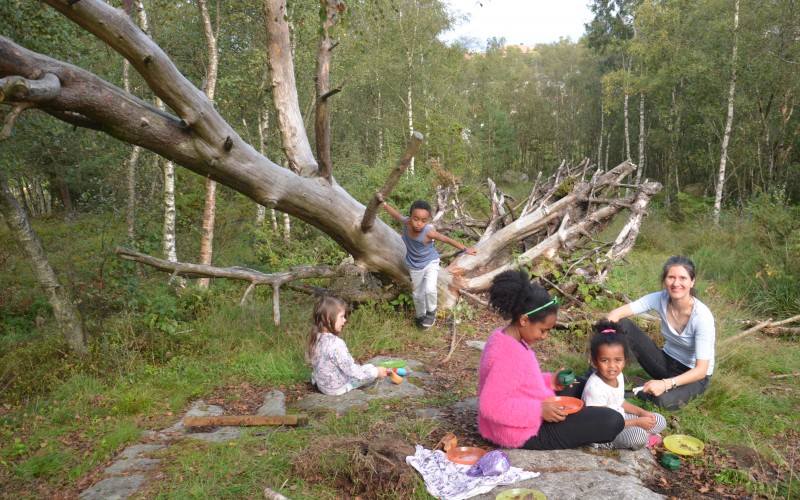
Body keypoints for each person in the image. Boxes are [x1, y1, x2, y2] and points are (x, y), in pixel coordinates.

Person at [477, 270, 624, 450]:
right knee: (613, 421)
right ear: (524, 320)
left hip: (526, 411)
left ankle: (593, 412)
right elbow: (491, 406)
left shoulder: (508, 337)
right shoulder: (508, 355)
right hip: (520, 432)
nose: (545, 336)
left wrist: (549, 381)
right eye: (543, 330)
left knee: (580, 383)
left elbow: (517, 380)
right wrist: (539, 410)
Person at [606, 256, 715, 410]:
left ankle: (638, 391)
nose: (676, 283)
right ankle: (603, 377)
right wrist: (600, 345)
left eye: (682, 278)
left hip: (694, 376)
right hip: (665, 362)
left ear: (692, 282)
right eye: (671, 277)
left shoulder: (702, 317)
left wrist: (665, 384)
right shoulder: (659, 298)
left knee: (661, 401)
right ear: (665, 280)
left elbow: (701, 370)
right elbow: (614, 315)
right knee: (622, 324)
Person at [381, 199, 477, 329]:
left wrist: (465, 249)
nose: (419, 223)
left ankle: (431, 311)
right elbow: (396, 214)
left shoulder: (429, 232)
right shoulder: (406, 223)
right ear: (410, 217)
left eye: (423, 221)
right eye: (416, 219)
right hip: (414, 265)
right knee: (417, 294)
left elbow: (446, 239)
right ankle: (421, 316)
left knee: (430, 289)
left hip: (430, 262)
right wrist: (384, 204)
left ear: (428, 221)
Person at [581, 319, 667, 449]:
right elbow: (602, 423)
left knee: (659, 420)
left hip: (620, 418)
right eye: (605, 360)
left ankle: (643, 435)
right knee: (638, 435)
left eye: (617, 360)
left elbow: (619, 402)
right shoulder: (595, 388)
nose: (612, 366)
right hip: (602, 430)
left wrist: (641, 412)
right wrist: (636, 422)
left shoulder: (618, 376)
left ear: (624, 361)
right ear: (594, 362)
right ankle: (607, 444)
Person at [305, 295, 388, 395]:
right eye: (341, 316)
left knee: (367, 368)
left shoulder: (315, 337)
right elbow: (352, 370)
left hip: (322, 385)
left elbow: (309, 360)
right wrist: (375, 372)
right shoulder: (336, 343)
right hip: (337, 388)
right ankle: (374, 371)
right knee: (369, 369)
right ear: (328, 318)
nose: (344, 320)